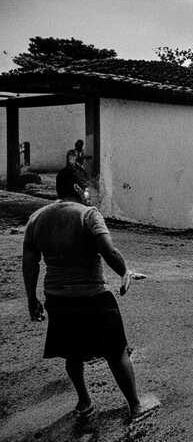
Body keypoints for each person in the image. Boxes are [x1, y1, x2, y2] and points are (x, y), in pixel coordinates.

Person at [22, 166, 158, 422]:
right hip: (93, 296)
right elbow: (108, 250)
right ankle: (136, 407)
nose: (88, 193)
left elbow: (30, 262)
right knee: (117, 352)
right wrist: (124, 272)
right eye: (85, 188)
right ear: (75, 188)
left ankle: (84, 402)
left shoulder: (37, 218)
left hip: (57, 298)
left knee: (73, 353)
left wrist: (32, 299)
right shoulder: (88, 215)